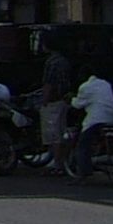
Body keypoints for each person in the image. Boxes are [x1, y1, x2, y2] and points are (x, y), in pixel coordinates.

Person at [70, 68, 113, 179]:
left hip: (97, 117)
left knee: (82, 145)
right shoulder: (105, 84)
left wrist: (71, 99)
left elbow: (78, 104)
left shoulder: (85, 87)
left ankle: (84, 172)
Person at [39, 43, 75, 172]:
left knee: (54, 134)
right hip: (64, 99)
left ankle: (58, 164)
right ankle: (63, 163)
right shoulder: (64, 61)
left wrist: (44, 100)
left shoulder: (51, 62)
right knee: (62, 131)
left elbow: (49, 83)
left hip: (54, 100)